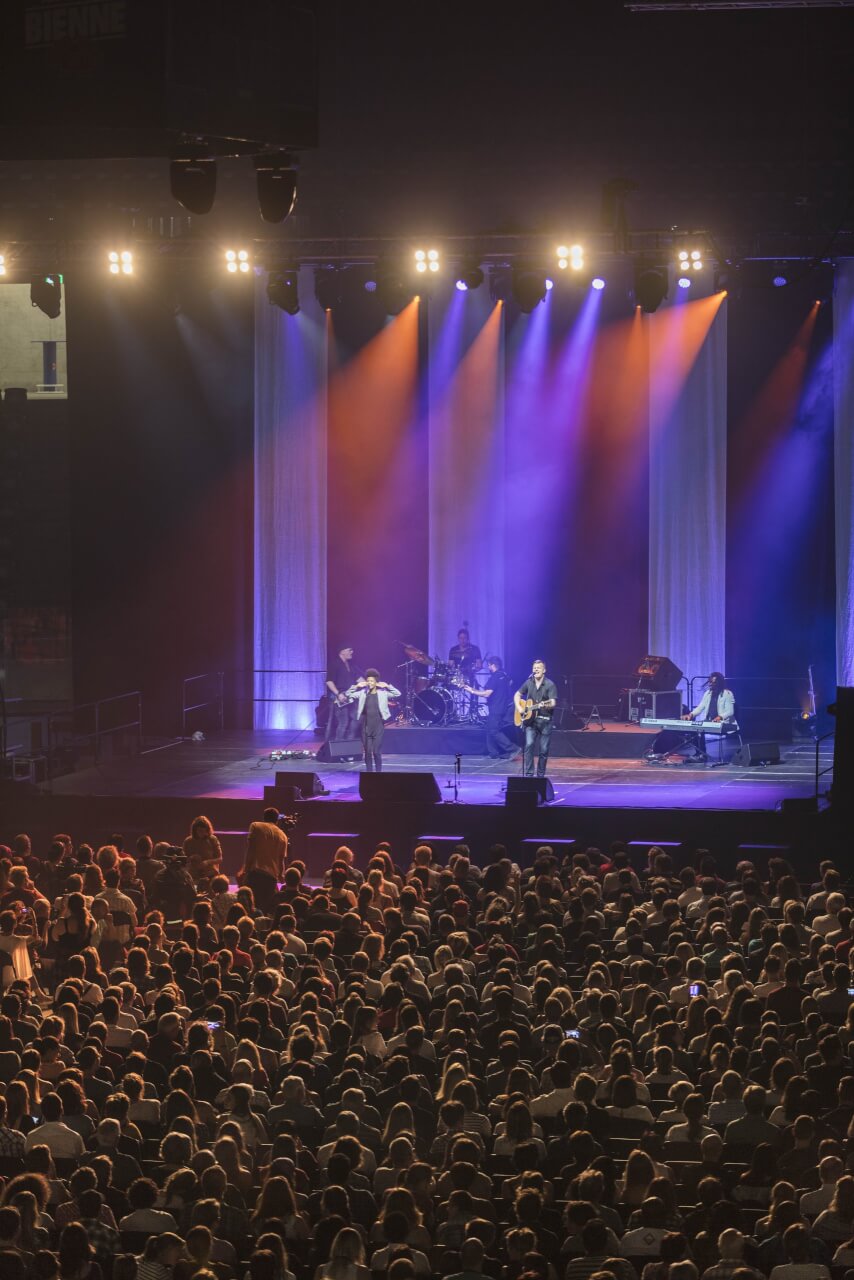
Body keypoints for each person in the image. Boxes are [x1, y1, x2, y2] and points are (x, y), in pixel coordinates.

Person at [345, 669, 402, 773]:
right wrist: (356, 686)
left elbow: (398, 694)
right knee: (367, 752)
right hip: (366, 727)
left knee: (376, 752)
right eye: (368, 681)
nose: (370, 683)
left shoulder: (383, 693)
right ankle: (369, 773)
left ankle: (378, 773)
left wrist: (387, 686)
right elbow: (348, 694)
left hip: (378, 727)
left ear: (376, 682)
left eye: (372, 681)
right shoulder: (362, 693)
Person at [463, 657, 517, 761]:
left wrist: (472, 691)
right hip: (505, 706)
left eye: (489, 665)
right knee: (489, 728)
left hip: (497, 707)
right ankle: (493, 753)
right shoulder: (504, 675)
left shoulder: (495, 677)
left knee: (493, 730)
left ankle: (513, 749)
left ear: (492, 665)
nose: (488, 667)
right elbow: (510, 684)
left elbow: (487, 694)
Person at [239, 807, 290, 912]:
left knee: (251, 907)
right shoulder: (283, 836)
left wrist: (245, 870)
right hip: (271, 877)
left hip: (255, 874)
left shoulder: (255, 826)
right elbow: (281, 860)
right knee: (266, 908)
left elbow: (251, 850)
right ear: (277, 820)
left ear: (263, 817)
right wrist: (281, 875)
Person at [514, 659, 558, 778]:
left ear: (544, 670)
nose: (536, 669)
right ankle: (529, 775)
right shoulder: (529, 682)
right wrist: (519, 708)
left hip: (545, 721)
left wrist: (545, 704)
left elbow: (553, 702)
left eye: (539, 667)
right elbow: (517, 694)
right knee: (529, 745)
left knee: (543, 750)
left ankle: (540, 776)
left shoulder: (550, 684)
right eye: (534, 668)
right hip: (530, 722)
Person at [326, 645, 361, 742]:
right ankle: (339, 743)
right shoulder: (334, 664)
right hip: (339, 696)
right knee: (343, 722)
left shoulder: (351, 665)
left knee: (357, 717)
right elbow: (329, 681)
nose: (352, 652)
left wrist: (370, 684)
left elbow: (358, 678)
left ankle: (349, 741)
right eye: (349, 650)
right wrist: (338, 694)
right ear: (342, 651)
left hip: (350, 696)